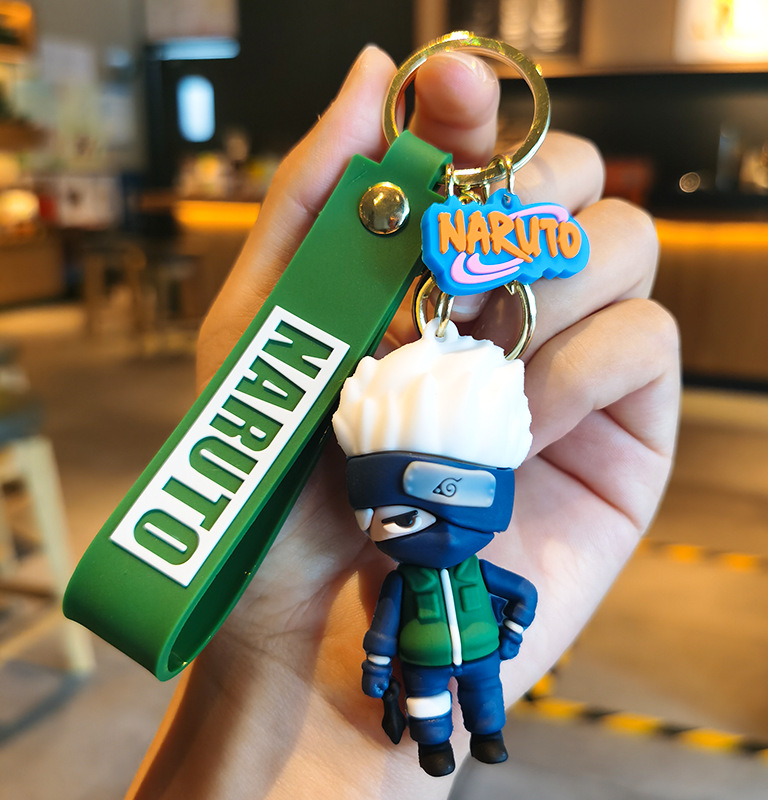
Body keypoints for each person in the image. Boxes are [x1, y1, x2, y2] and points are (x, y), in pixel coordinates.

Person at [126, 44, 680, 800]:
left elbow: (517, 597)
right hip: (427, 659)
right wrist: (347, 673)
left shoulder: (455, 560)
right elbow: (393, 631)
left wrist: (508, 634)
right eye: (402, 507)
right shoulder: (401, 577)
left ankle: (481, 733)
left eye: (459, 497)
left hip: (476, 655)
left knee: (479, 699)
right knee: (429, 708)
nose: (433, 522)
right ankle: (439, 743)